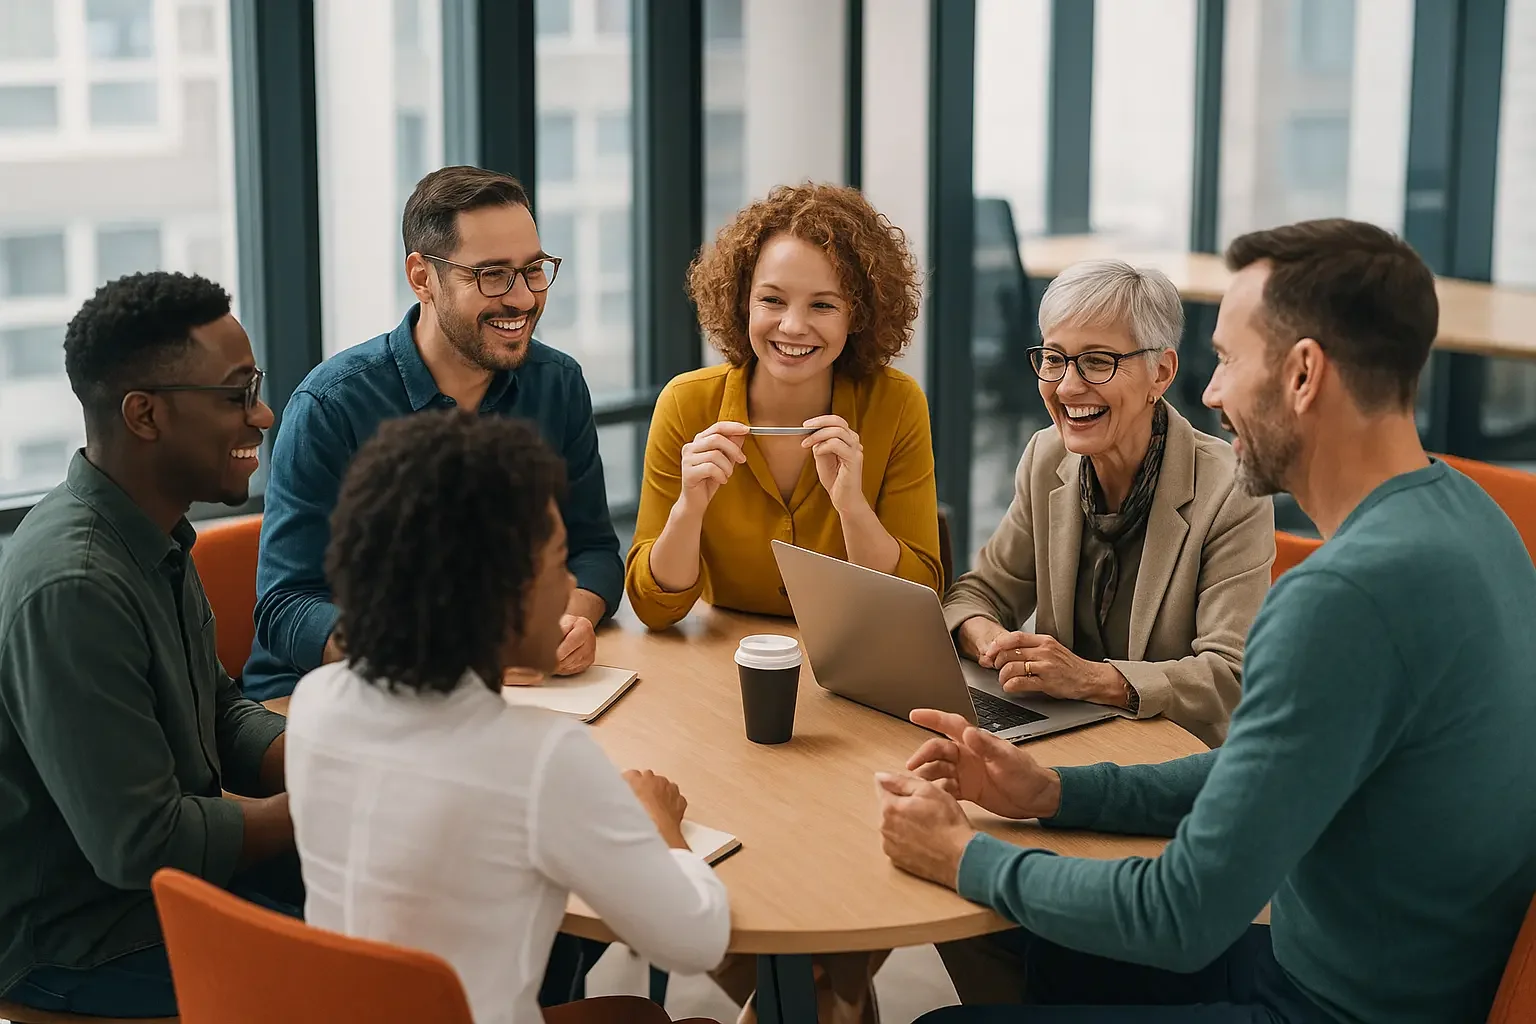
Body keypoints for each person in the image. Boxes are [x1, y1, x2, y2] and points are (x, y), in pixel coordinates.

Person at [876, 219, 1536, 1023]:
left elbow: (1179, 915)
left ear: (1302, 375)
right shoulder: (1472, 512)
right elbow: (1256, 770)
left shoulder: (1344, 596)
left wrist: (963, 856)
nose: (1213, 393)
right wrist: (1054, 791)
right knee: (1058, 952)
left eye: (1226, 360)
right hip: (1372, 970)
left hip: (1327, 1006)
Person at [284, 411, 730, 1024]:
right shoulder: (541, 758)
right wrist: (659, 824)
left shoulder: (316, 702)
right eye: (557, 562)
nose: (572, 582)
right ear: (497, 594)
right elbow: (696, 941)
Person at [0, 272, 300, 1019]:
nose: (262, 413)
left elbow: (222, 711)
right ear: (145, 415)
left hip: (159, 889)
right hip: (82, 938)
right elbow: (142, 843)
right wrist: (328, 805)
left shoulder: (150, 530)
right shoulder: (76, 585)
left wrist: (332, 755)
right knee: (389, 969)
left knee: (451, 893)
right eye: (236, 394)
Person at [243, 165, 622, 701]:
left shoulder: (558, 384)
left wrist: (569, 619)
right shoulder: (330, 406)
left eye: (533, 269)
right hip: (332, 700)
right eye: (492, 275)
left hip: (515, 695)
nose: (522, 299)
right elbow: (287, 607)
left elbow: (595, 549)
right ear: (422, 277)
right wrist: (453, 658)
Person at [944, 259, 1273, 748]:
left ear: (1160, 373)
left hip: (1175, 757)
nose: (1068, 386)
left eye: (1098, 361)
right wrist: (993, 642)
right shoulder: (1046, 456)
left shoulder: (1229, 488)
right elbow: (978, 595)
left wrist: (1090, 679)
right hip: (1067, 739)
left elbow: (1229, 674)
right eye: (1054, 358)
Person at [625, 182, 942, 632]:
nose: (793, 326)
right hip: (725, 661)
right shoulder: (686, 403)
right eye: (772, 300)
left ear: (859, 314)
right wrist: (688, 510)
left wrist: (852, 508)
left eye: (823, 305)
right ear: (741, 301)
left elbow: (919, 603)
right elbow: (656, 610)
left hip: (854, 659)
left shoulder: (896, 404)